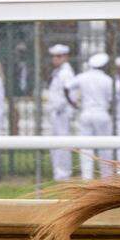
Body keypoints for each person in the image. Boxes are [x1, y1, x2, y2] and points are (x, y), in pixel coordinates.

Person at [66, 53, 114, 180]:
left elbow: (66, 87)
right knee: (105, 147)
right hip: (101, 114)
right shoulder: (107, 80)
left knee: (86, 147)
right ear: (104, 66)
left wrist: (72, 103)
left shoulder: (83, 77)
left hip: (86, 114)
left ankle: (87, 177)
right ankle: (107, 178)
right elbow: (112, 99)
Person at [46, 44, 75, 180]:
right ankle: (58, 172)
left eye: (58, 56)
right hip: (56, 112)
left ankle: (63, 173)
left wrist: (58, 107)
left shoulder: (66, 73)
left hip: (61, 113)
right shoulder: (58, 72)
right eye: (54, 57)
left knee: (63, 144)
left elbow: (68, 94)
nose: (55, 59)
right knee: (56, 144)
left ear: (65, 57)